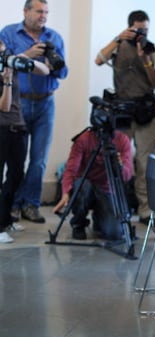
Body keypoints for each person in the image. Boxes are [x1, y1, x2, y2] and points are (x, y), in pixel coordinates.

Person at [0, 0, 68, 224]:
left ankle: (31, 204)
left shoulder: (54, 37)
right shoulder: (9, 33)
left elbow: (63, 73)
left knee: (39, 159)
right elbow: (5, 63)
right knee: (16, 160)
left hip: (45, 104)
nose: (43, 15)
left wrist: (51, 61)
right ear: (26, 11)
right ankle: (13, 206)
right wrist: (28, 53)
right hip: (16, 105)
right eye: (39, 11)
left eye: (46, 12)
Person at [95, 10, 155, 225]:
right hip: (122, 110)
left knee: (145, 163)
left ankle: (145, 210)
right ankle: (117, 206)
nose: (142, 33)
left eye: (145, 30)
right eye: (138, 30)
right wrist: (118, 38)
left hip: (146, 111)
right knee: (119, 161)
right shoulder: (118, 45)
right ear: (130, 27)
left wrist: (146, 60)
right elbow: (99, 60)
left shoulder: (151, 49)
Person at [0, 39, 50, 243]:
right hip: (1, 128)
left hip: (17, 127)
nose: (3, 56)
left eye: (4, 51)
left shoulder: (11, 63)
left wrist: (23, 59)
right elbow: (4, 106)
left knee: (16, 176)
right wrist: (7, 80)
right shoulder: (6, 75)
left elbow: (45, 71)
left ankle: (6, 219)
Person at [53, 127, 133, 240]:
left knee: (114, 233)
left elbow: (127, 176)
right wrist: (66, 192)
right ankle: (78, 224)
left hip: (106, 189)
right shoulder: (84, 138)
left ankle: (99, 218)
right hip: (85, 186)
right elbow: (71, 170)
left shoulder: (122, 140)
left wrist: (119, 166)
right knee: (82, 185)